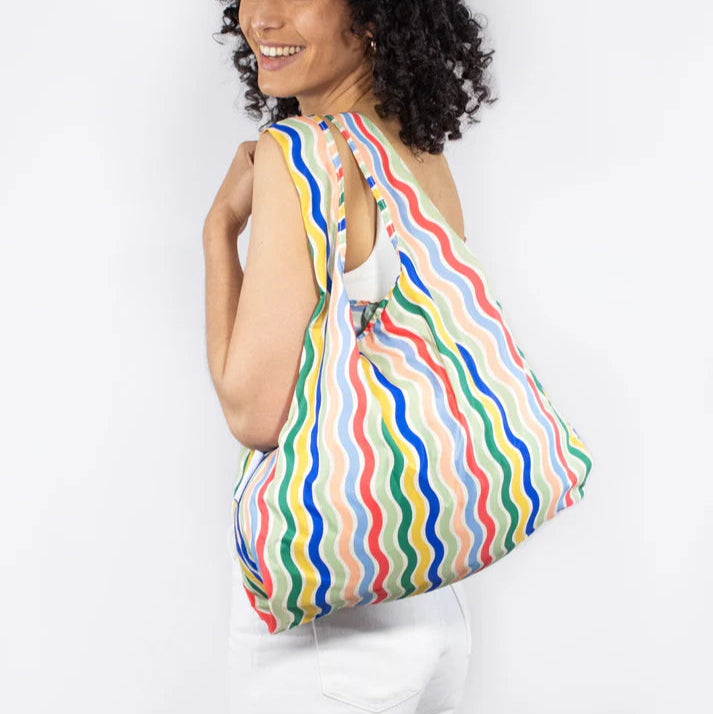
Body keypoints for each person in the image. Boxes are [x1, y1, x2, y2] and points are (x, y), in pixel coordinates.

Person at [203, 1, 497, 711]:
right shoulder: (417, 154)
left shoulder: (298, 153)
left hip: (328, 628)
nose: (260, 18)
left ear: (373, 16)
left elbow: (253, 415)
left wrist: (218, 232)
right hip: (431, 596)